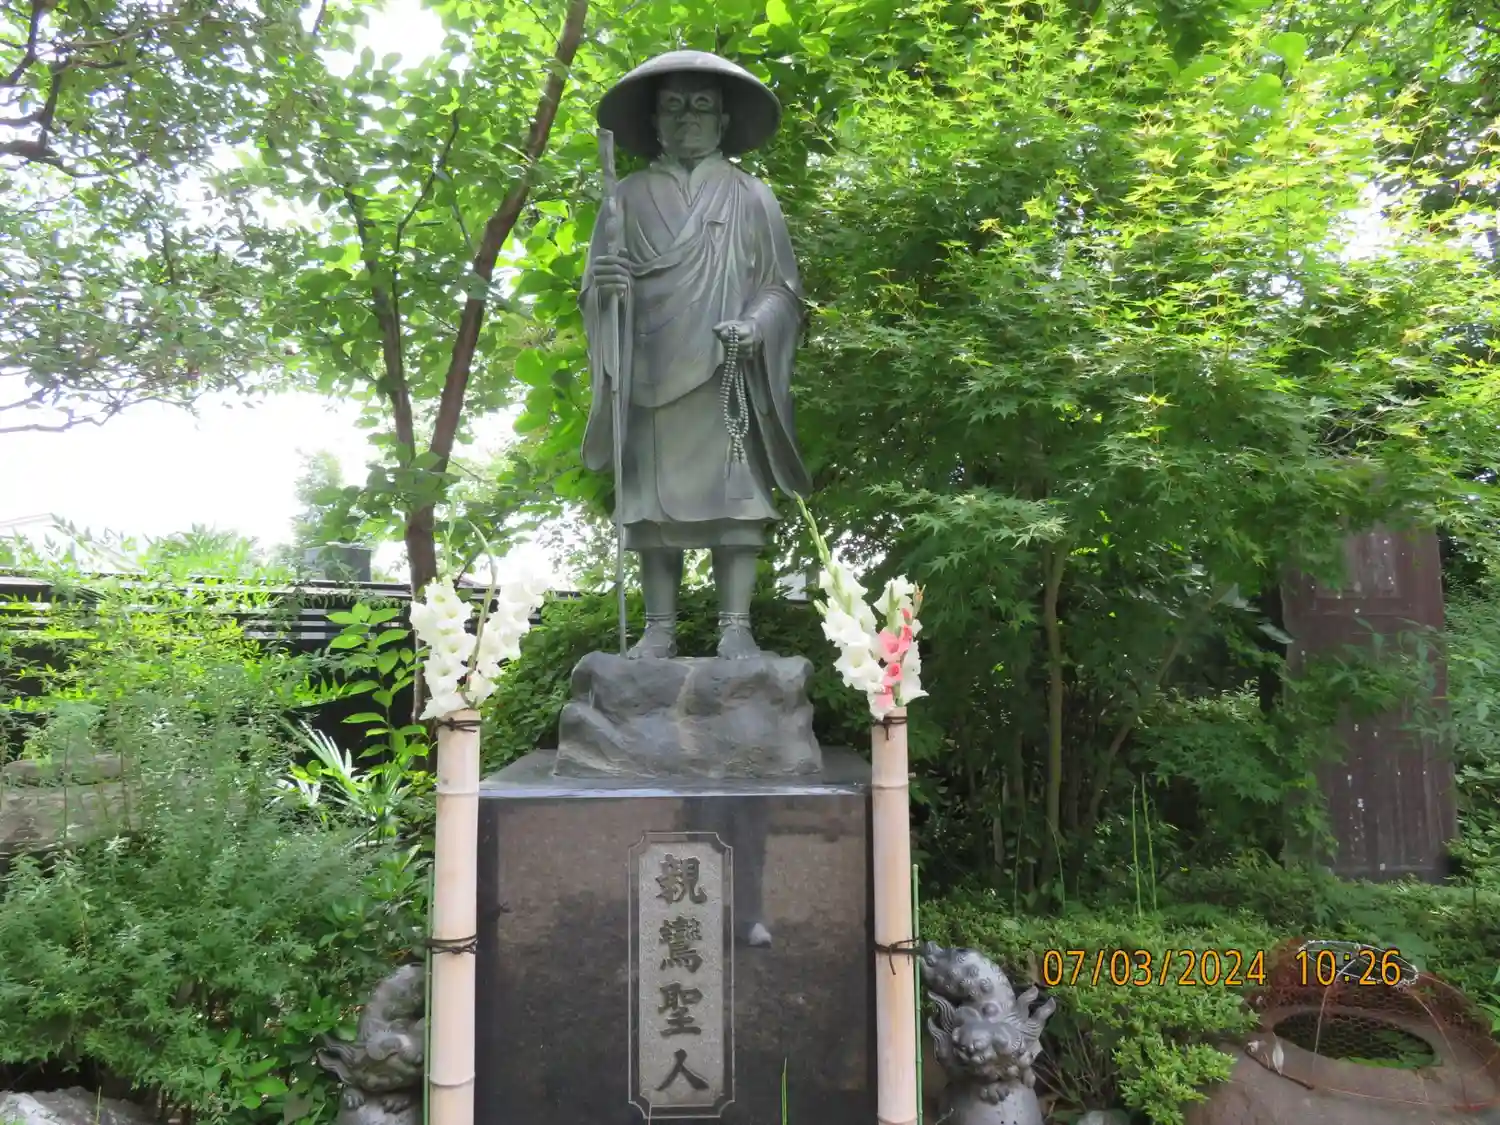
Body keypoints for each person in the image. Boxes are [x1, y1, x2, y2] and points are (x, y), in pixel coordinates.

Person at [581, 50, 812, 661]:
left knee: (736, 502)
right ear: (655, 121)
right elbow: (597, 292)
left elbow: (782, 288)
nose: (688, 118)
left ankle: (736, 625)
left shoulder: (751, 196)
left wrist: (756, 327)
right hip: (650, 367)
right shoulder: (625, 198)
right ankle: (658, 627)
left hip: (725, 369)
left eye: (702, 106)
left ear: (723, 121)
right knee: (651, 508)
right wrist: (606, 292)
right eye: (674, 107)